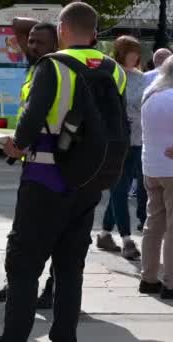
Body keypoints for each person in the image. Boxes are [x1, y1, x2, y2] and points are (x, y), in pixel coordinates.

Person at [0, 3, 127, 341]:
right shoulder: (116, 71)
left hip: (44, 179)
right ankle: (64, 335)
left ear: (61, 31)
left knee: (23, 264)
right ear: (95, 33)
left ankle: (14, 336)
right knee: (70, 266)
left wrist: (15, 145)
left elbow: (32, 118)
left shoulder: (53, 66)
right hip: (88, 179)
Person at [0, 20, 59, 308]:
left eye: (40, 42)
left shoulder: (54, 70)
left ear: (56, 43)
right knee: (23, 233)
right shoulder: (34, 70)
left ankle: (50, 290)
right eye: (30, 41)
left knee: (48, 235)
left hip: (54, 168)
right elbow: (18, 25)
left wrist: (16, 144)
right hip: (33, 163)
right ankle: (16, 285)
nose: (33, 46)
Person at [96, 35, 144, 259]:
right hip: (115, 139)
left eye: (136, 51)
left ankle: (105, 233)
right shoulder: (110, 73)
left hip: (136, 139)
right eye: (130, 50)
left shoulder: (142, 78)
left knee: (120, 188)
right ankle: (126, 239)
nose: (134, 55)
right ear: (121, 51)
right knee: (120, 188)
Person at [139, 55, 173, 300]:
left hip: (151, 166)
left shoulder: (151, 94)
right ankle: (170, 282)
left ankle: (148, 277)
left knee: (154, 224)